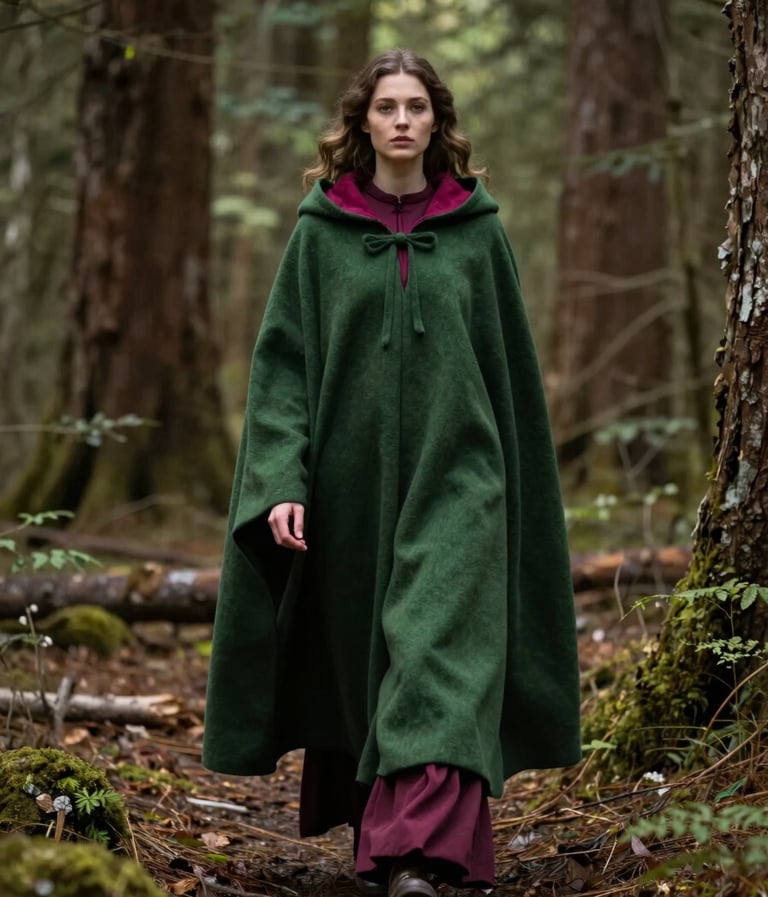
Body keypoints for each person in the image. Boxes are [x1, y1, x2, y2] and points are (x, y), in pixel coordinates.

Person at [202, 48, 581, 897]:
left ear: (438, 123)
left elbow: (511, 375)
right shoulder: (320, 237)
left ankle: (413, 852)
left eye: (417, 106)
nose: (403, 120)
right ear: (362, 123)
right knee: (369, 660)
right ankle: (413, 841)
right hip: (348, 493)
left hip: (464, 481)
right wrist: (280, 479)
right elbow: (283, 371)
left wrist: (516, 488)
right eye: (387, 107)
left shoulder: (479, 235)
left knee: (438, 651)